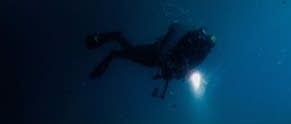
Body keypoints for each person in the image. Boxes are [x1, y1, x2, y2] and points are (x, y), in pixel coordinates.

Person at [85, 23, 216, 98]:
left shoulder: (200, 54)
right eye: (209, 46)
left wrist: (180, 71)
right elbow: (179, 54)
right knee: (131, 52)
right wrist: (179, 68)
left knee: (130, 54)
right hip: (156, 53)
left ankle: (114, 49)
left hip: (157, 61)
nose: (208, 49)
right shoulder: (195, 46)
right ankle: (115, 39)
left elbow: (185, 67)